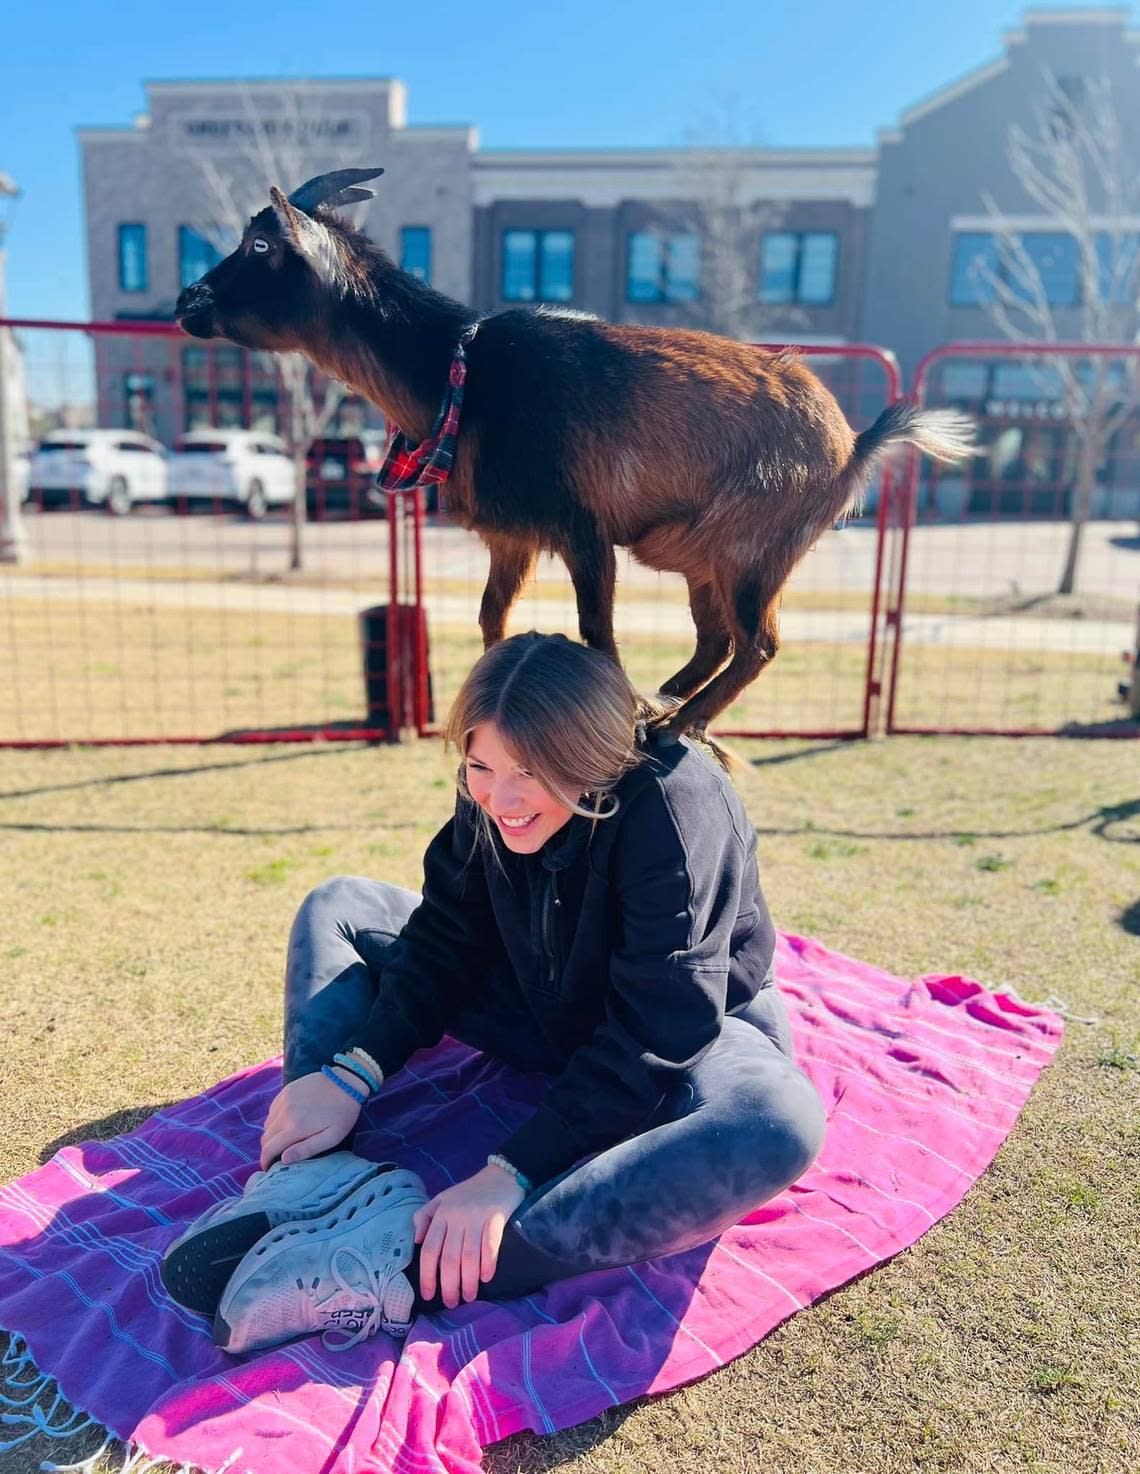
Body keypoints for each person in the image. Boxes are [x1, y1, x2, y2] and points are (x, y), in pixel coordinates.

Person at [162, 632, 826, 1353]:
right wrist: (350, 1072)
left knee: (778, 1121)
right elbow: (445, 937)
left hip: (680, 1031)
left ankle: (406, 1266)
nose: (499, 799)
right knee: (341, 903)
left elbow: (659, 1026)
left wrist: (508, 1173)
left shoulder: (674, 803)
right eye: (480, 766)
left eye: (528, 773)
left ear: (587, 755)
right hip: (536, 990)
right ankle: (314, 1173)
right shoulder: (492, 792)